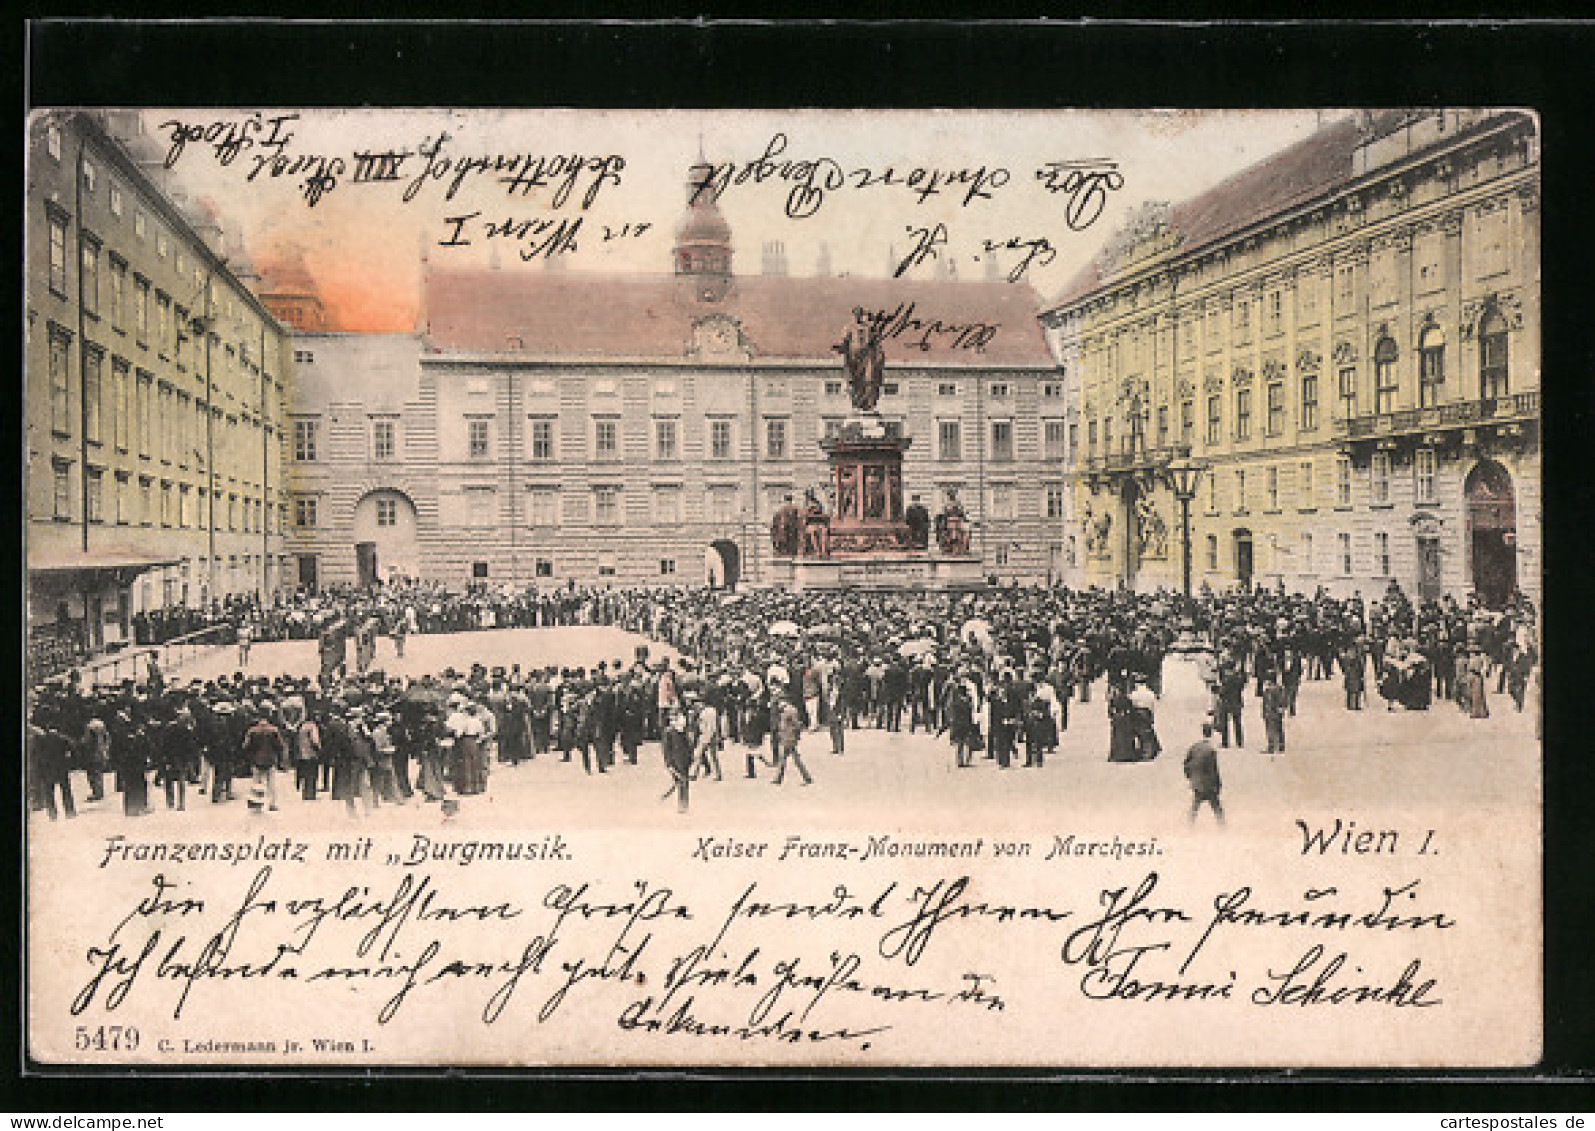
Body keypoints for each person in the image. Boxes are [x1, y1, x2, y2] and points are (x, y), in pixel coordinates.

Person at [1184, 721, 1225, 825]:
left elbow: (1186, 764)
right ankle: (1222, 827)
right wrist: (1218, 784)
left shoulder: (1194, 747)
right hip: (1208, 784)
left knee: (1195, 806)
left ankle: (1190, 825)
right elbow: (1213, 770)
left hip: (1197, 782)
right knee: (1216, 807)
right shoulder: (1210, 750)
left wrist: (1191, 778)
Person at [772, 698, 813, 787]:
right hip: (786, 736)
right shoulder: (786, 710)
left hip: (789, 737)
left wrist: (795, 734)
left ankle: (806, 777)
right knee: (790, 758)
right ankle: (779, 778)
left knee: (791, 759)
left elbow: (796, 724)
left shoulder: (790, 711)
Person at [1261, 674, 1288, 756]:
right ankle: (1281, 745)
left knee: (1271, 728)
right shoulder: (1280, 689)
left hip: (1271, 712)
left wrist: (1264, 712)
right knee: (1279, 727)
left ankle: (1272, 746)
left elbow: (1267, 703)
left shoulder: (1269, 690)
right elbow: (1284, 700)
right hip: (1277, 712)